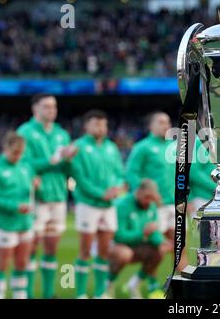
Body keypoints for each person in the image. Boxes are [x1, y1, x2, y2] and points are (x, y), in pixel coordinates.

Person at [17, 93, 77, 299]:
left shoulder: (61, 133)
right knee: (32, 245)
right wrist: (52, 159)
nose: (52, 110)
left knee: (51, 246)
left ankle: (49, 293)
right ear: (35, 109)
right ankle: (27, 293)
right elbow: (22, 164)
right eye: (47, 106)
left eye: (54, 106)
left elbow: (67, 166)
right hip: (36, 197)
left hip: (58, 196)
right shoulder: (24, 132)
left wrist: (69, 160)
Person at [71, 110, 125, 299]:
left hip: (109, 205)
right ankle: (81, 293)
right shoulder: (78, 147)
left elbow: (120, 173)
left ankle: (101, 293)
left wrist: (117, 188)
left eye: (103, 124)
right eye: (96, 124)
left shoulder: (111, 147)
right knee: (85, 250)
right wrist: (102, 193)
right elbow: (80, 178)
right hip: (88, 204)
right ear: (86, 126)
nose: (101, 128)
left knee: (103, 251)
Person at [108, 179, 172, 299]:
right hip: (115, 245)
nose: (149, 201)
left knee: (159, 251)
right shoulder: (123, 205)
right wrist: (142, 233)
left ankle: (134, 284)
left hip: (137, 244)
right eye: (147, 197)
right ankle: (108, 284)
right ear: (138, 192)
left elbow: (153, 231)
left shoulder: (151, 206)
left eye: (152, 198)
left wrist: (161, 242)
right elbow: (118, 236)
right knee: (124, 254)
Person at [125, 112, 177, 248]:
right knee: (155, 249)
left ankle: (180, 271)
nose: (165, 125)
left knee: (180, 246)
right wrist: (145, 196)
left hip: (175, 204)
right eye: (160, 122)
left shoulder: (175, 147)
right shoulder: (142, 147)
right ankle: (145, 270)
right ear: (150, 126)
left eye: (167, 122)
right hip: (155, 205)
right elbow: (131, 173)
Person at [0, 132, 37, 299]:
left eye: (20, 152)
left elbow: (27, 190)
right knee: (2, 263)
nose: (17, 156)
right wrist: (15, 206)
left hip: (25, 222)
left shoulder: (25, 166)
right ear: (5, 148)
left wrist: (35, 183)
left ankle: (19, 295)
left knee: (22, 262)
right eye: (14, 152)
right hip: (5, 223)